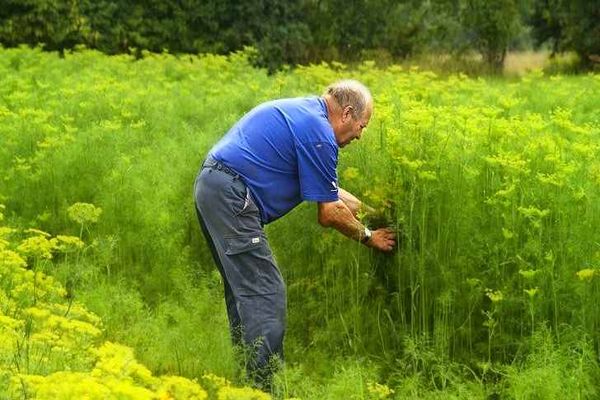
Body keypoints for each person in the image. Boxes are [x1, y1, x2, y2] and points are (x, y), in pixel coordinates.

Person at [193, 79, 396, 390]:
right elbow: (329, 212)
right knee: (266, 295)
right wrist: (371, 236)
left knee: (245, 296)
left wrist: (374, 212)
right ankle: (263, 390)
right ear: (347, 113)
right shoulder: (319, 135)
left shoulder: (309, 118)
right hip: (232, 195)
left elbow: (330, 190)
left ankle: (247, 387)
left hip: (216, 188)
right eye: (362, 125)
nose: (360, 134)